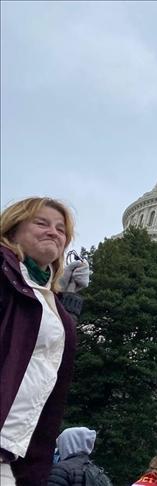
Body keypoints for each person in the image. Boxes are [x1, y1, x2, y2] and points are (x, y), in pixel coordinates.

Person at [1, 197, 79, 485]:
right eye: (42, 223)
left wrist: (66, 297)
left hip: (13, 446)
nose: (53, 232)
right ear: (13, 229)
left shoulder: (48, 298)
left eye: (61, 229)